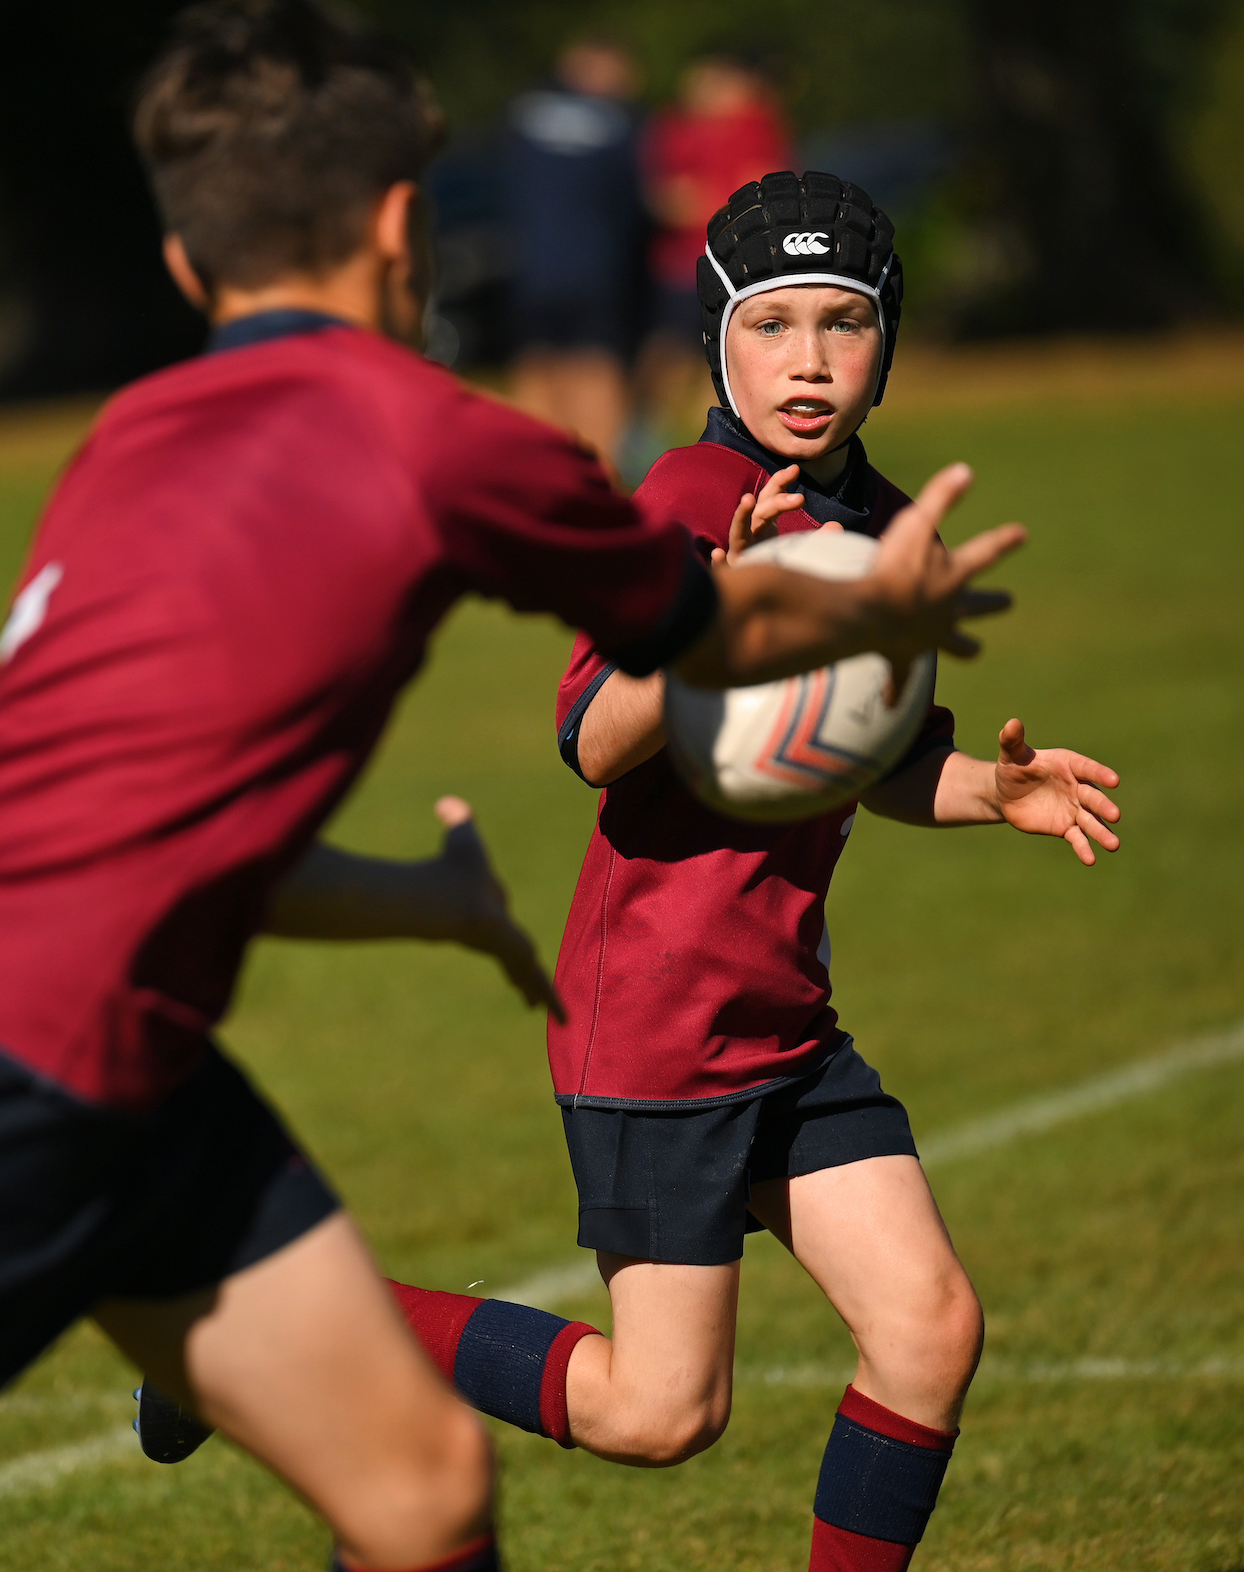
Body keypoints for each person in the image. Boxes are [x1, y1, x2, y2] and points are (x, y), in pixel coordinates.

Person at [0, 16, 1025, 1568]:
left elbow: (97, 826)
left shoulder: (125, 436)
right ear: (397, 230)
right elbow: (687, 648)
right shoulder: (441, 443)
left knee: (423, 1490)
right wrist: (860, 598)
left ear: (184, 270)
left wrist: (410, 899)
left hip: (88, 1052)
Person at [378, 173, 1125, 1572]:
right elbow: (592, 742)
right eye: (769, 324)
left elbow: (869, 753)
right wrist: (704, 627)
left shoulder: (882, 526)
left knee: (927, 1329)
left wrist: (988, 791)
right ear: (712, 339)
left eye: (841, 325)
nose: (806, 360)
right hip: (655, 1022)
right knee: (659, 1414)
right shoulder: (685, 495)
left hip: (781, 1018)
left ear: (886, 343)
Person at [633, 54, 793, 460]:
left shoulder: (755, 122)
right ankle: (642, 436)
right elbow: (666, 195)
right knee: (669, 352)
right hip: (681, 263)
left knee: (731, 352)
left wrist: (708, 201)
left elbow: (762, 188)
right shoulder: (674, 128)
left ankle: (729, 440)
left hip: (738, 263)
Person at [501, 37, 646, 466]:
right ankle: (598, 482)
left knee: (537, 366)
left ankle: (536, 473)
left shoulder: (523, 113)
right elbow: (633, 203)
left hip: (532, 266)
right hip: (594, 267)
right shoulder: (616, 124)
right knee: (596, 370)